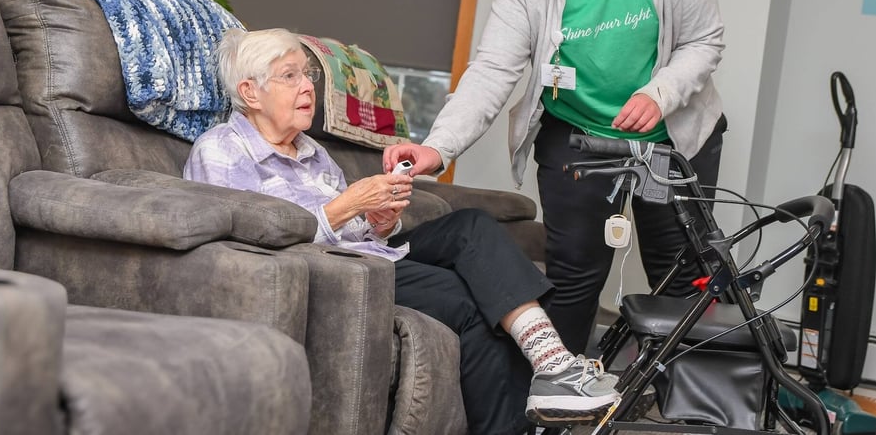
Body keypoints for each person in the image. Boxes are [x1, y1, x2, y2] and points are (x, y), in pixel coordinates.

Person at [183, 27, 624, 433]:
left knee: (471, 226)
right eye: (289, 76)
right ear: (250, 92)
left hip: (371, 254)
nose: (308, 86)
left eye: (308, 75)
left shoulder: (313, 152)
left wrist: (379, 219)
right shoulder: (222, 148)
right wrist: (347, 205)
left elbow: (360, 227)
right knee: (470, 301)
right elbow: (246, 235)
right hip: (333, 272)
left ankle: (553, 365)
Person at [382, 0, 727, 357]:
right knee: (573, 280)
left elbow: (705, 39)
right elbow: (494, 71)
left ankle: (679, 404)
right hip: (581, 141)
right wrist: (439, 146)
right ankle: (558, 404)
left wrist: (661, 94)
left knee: (680, 279)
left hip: (673, 138)